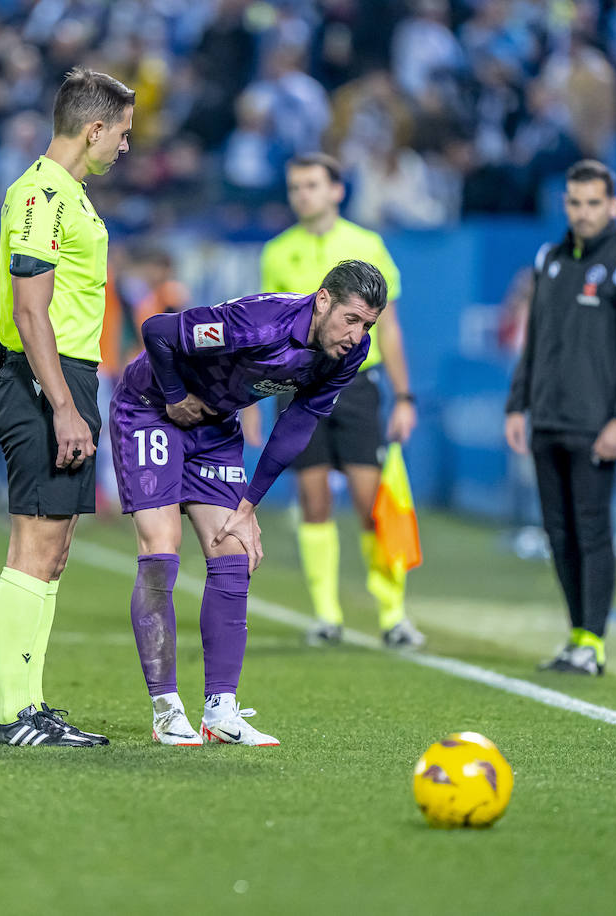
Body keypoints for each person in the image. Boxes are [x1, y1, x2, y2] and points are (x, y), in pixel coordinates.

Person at [111, 259, 388, 746]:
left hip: (215, 428)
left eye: (368, 324)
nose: (357, 334)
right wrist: (175, 396)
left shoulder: (349, 353)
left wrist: (249, 505)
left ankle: (220, 712)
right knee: (162, 550)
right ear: (323, 299)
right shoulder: (258, 323)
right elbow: (157, 331)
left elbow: (298, 424)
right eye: (351, 319)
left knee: (232, 555)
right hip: (152, 410)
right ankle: (165, 709)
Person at [0, 68, 134, 748]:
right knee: (33, 547)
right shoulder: (42, 194)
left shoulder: (68, 194)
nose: (125, 148)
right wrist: (63, 406)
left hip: (66, 378)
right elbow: (29, 310)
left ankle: (30, 703)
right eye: (123, 135)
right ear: (93, 128)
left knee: (55, 551)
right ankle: (12, 715)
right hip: (41, 379)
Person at [258, 152, 422, 649]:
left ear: (336, 190)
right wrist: (254, 399)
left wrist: (405, 396)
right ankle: (327, 615)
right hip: (299, 386)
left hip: (355, 385)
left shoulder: (366, 244)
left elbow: (387, 326)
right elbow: (269, 331)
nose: (301, 194)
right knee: (313, 499)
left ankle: (392, 614)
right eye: (294, 186)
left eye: (311, 185)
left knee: (372, 503)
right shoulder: (276, 252)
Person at [504, 159, 616, 676]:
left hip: (595, 425)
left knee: (592, 530)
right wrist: (516, 404)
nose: (584, 212)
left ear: (614, 206)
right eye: (575, 202)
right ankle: (576, 635)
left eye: (594, 203)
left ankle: (593, 642)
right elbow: (534, 341)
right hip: (547, 418)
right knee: (558, 533)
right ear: (565, 204)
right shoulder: (549, 259)